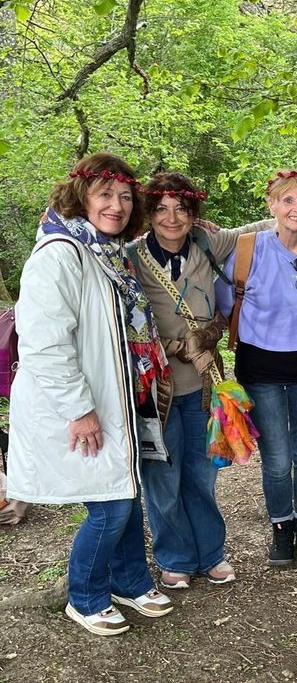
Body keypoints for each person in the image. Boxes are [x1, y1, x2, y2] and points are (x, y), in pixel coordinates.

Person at [131, 172, 297, 589]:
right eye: (162, 209)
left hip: (203, 379)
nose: (172, 218)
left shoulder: (207, 244)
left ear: (193, 214)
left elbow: (266, 226)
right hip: (155, 382)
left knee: (203, 472)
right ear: (148, 213)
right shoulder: (131, 256)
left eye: (181, 209)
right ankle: (175, 557)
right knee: (163, 474)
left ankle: (210, 553)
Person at [7, 153, 174, 635]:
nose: (116, 206)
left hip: (119, 396)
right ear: (81, 196)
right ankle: (85, 597)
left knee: (125, 490)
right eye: (105, 194)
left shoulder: (108, 253)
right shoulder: (60, 253)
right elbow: (44, 343)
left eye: (125, 197)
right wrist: (79, 409)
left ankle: (130, 581)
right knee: (110, 505)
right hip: (82, 404)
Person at [223, 170, 297, 567]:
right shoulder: (248, 249)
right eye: (287, 200)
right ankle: (281, 526)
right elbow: (226, 302)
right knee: (276, 457)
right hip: (261, 369)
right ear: (272, 205)